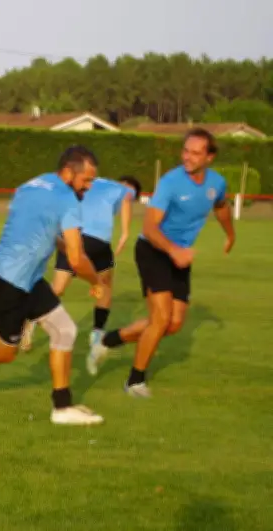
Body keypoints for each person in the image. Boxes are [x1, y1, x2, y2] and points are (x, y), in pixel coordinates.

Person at [0, 146, 107, 426]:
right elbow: (76, 258)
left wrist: (61, 244)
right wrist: (96, 281)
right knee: (6, 353)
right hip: (7, 287)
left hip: (25, 282)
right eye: (85, 180)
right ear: (68, 172)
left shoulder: (33, 184)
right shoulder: (67, 199)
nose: (88, 187)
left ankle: (62, 407)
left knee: (65, 330)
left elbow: (41, 230)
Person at [87, 129, 235, 396]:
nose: (187, 157)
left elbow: (221, 206)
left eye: (195, 153)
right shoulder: (171, 182)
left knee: (173, 324)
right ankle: (135, 381)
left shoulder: (217, 183)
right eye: (185, 150)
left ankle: (107, 341)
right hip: (153, 250)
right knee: (160, 318)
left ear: (209, 157)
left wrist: (230, 234)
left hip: (179, 254)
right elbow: (149, 227)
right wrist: (174, 250)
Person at [18, 175, 142, 354]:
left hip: (76, 237)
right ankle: (97, 334)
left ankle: (30, 321)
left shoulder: (93, 182)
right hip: (92, 241)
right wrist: (124, 234)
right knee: (103, 288)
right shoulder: (122, 190)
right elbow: (126, 202)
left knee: (61, 289)